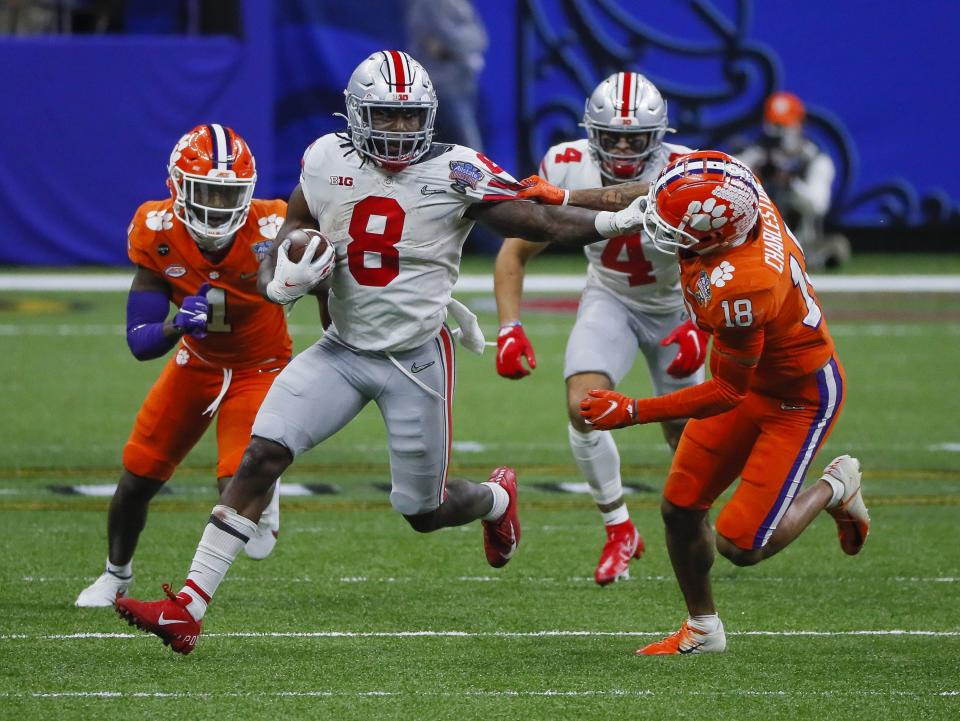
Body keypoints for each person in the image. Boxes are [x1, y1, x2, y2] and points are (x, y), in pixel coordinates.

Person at [113, 50, 651, 654]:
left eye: (408, 117)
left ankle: (496, 498)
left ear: (428, 116)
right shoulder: (323, 159)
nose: (398, 130)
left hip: (415, 359)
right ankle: (188, 608)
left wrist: (628, 217)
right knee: (261, 456)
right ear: (356, 114)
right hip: (341, 350)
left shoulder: (457, 171)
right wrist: (287, 267)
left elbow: (543, 221)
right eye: (385, 117)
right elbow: (290, 227)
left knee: (422, 511)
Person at [576, 150, 870, 654]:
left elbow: (727, 391)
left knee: (741, 545)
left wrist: (633, 411)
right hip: (752, 368)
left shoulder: (745, 286)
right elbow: (660, 198)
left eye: (677, 227)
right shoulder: (740, 196)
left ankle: (835, 486)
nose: (661, 230)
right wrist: (561, 195)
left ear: (716, 235)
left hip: (796, 398)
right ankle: (704, 628)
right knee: (680, 507)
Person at [495, 72, 708, 586]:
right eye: (610, 136)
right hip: (611, 296)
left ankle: (696, 524)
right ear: (591, 131)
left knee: (686, 436)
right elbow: (516, 250)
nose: (620, 147)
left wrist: (706, 325)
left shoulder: (688, 169)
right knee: (583, 406)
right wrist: (509, 326)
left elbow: (726, 257)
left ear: (659, 136)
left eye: (633, 138)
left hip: (680, 305)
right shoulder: (566, 164)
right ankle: (618, 527)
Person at [75, 124, 296, 608]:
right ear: (177, 186)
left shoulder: (273, 225)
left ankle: (264, 488)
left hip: (260, 367)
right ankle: (116, 574)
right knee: (138, 476)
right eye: (208, 191)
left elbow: (325, 270)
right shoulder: (155, 229)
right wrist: (179, 326)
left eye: (228, 193)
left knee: (232, 489)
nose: (218, 204)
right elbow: (140, 341)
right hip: (195, 362)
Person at [736, 91, 850, 270]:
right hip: (757, 240)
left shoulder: (815, 159)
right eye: (773, 124)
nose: (778, 132)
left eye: (784, 125)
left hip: (800, 240)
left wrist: (790, 182)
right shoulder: (754, 155)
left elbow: (818, 204)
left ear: (799, 125)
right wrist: (753, 175)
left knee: (837, 246)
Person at [405, 0, 488, 151]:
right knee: (470, 153)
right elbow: (446, 39)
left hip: (463, 84)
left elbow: (480, 39)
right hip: (442, 87)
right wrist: (457, 45)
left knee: (447, 151)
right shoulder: (430, 4)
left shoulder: (458, 3)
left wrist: (455, 46)